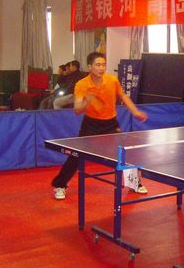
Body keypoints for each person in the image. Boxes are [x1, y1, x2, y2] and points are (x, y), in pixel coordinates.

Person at [51, 51, 148, 200]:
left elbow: (123, 96)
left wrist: (135, 112)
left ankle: (135, 183)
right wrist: (88, 100)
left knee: (124, 153)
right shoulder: (82, 84)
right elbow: (77, 110)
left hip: (110, 123)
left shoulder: (112, 80)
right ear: (90, 67)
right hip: (91, 124)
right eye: (98, 65)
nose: (101, 68)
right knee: (76, 155)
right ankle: (60, 185)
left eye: (103, 64)